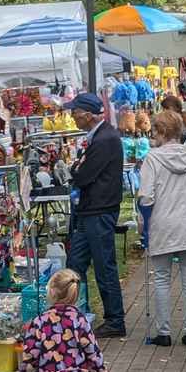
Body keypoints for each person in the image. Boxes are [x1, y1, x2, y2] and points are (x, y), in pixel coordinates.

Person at [134, 107, 186, 347]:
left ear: (160, 131)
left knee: (162, 279)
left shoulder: (153, 159)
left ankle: (164, 331)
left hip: (163, 223)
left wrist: (142, 222)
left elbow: (147, 197)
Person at [64, 92, 126, 337]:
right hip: (91, 209)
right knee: (75, 263)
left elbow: (83, 175)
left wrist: (74, 171)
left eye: (75, 112)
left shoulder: (104, 139)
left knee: (104, 266)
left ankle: (115, 320)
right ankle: (73, 313)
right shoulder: (99, 136)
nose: (72, 116)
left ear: (88, 115)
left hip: (99, 210)